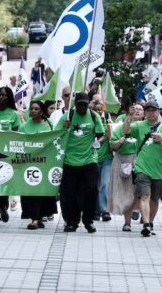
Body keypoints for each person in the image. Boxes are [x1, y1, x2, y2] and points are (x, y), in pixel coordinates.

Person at [54, 92, 104, 233]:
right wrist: (64, 127)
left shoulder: (94, 116)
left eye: (85, 104)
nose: (82, 107)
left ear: (89, 104)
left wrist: (97, 143)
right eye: (79, 104)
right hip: (70, 161)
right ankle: (71, 222)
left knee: (91, 190)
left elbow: (101, 136)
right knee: (70, 193)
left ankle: (88, 221)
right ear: (75, 104)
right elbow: (56, 135)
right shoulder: (67, 116)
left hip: (89, 160)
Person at [123, 100, 162, 237]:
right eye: (148, 110)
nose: (151, 113)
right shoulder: (139, 125)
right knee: (144, 196)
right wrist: (129, 117)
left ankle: (150, 222)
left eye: (153, 110)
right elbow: (125, 131)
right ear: (145, 112)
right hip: (142, 168)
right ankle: (145, 224)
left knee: (154, 200)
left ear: (159, 112)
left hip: (159, 169)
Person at [19, 101, 58, 230]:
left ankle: (39, 218)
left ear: (41, 112)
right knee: (31, 193)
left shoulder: (49, 125)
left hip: (45, 164)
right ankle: (34, 219)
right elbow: (18, 143)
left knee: (43, 193)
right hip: (29, 164)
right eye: (32, 108)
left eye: (36, 109)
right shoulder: (24, 127)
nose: (33, 111)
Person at [0, 86, 24, 226]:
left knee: (3, 182)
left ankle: (3, 207)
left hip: (6, 155)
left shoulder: (14, 114)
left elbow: (17, 134)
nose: (1, 97)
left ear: (9, 98)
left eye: (4, 95)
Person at [108, 102, 144, 231]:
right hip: (122, 161)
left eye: (140, 109)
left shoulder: (145, 128)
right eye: (135, 109)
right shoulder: (120, 128)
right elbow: (112, 145)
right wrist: (120, 141)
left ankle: (141, 212)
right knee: (127, 192)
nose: (137, 111)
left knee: (141, 192)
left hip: (140, 162)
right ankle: (127, 222)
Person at [90, 99, 113, 222]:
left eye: (100, 109)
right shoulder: (89, 121)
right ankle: (95, 211)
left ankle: (105, 210)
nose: (98, 112)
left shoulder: (107, 121)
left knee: (104, 184)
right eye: (95, 110)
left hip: (106, 159)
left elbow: (112, 135)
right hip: (92, 158)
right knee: (94, 186)